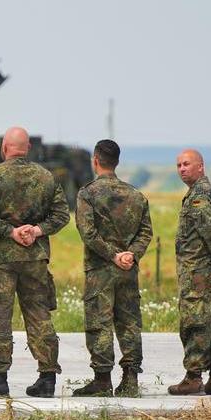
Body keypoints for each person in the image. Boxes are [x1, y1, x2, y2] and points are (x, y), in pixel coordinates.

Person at [0, 127, 70, 398]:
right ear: (28, 148)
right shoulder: (46, 176)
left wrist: (10, 232)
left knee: (0, 317)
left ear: (5, 148)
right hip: (34, 258)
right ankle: (47, 378)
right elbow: (62, 215)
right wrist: (36, 230)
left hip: (1, 259)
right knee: (40, 315)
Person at [73, 139, 152, 397]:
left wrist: (112, 255)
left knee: (100, 322)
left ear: (96, 161)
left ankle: (102, 380)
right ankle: (130, 379)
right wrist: (131, 254)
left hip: (100, 271)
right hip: (128, 270)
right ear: (117, 162)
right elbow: (145, 232)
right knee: (129, 322)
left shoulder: (87, 193)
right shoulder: (136, 195)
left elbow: (88, 232)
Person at [168, 149, 211, 395]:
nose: (182, 169)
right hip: (205, 270)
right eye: (179, 165)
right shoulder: (203, 192)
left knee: (195, 322)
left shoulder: (200, 195)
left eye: (187, 164)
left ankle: (194, 376)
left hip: (199, 272)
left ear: (201, 166)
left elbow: (209, 229)